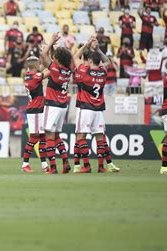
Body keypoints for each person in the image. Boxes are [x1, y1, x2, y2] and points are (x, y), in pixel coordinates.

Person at [73, 38, 120, 173]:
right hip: (98, 109)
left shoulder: (84, 71)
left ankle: (86, 166)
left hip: (86, 108)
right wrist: (98, 49)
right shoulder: (103, 72)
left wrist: (86, 45)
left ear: (89, 61)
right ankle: (101, 166)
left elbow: (75, 57)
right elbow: (107, 61)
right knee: (100, 137)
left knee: (81, 137)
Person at [39, 33, 72, 174]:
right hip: (63, 106)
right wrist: (54, 47)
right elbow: (51, 58)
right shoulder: (67, 70)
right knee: (56, 136)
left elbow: (43, 55)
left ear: (57, 60)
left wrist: (51, 42)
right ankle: (65, 161)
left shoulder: (54, 69)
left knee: (49, 137)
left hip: (52, 105)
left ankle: (52, 167)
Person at [21, 59, 48, 173]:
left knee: (42, 137)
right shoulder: (35, 76)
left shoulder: (28, 75)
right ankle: (25, 164)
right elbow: (50, 71)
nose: (40, 66)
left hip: (37, 109)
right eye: (38, 64)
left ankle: (44, 164)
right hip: (35, 110)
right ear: (35, 66)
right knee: (34, 137)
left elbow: (44, 70)